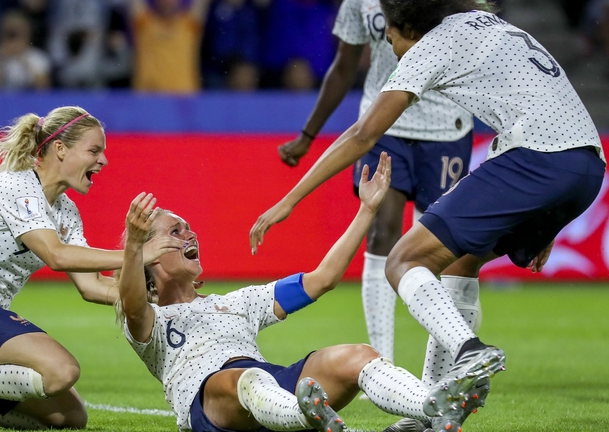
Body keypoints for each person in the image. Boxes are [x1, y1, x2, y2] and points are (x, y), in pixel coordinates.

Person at [250, 0, 606, 430]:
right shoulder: (488, 23)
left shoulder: (434, 43)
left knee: (403, 258)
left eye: (390, 36)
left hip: (535, 158)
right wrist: (548, 218)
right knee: (458, 264)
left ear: (404, 24)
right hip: (585, 167)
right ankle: (434, 409)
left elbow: (363, 135)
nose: (390, 46)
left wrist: (290, 199)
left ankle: (470, 353)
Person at [117, 156, 492, 432]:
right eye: (176, 232)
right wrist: (133, 245)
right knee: (244, 379)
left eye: (188, 228)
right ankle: (307, 416)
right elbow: (133, 306)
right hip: (213, 407)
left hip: (271, 393)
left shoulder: (233, 304)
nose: (190, 234)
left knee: (357, 355)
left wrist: (366, 210)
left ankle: (431, 405)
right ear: (150, 258)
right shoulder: (152, 322)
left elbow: (323, 279)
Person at [0, 106, 185, 429]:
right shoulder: (14, 185)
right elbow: (56, 255)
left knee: (71, 418)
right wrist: (135, 253)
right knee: (62, 371)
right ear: (60, 148)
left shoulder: (66, 210)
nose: (103, 160)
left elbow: (93, 287)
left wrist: (159, 299)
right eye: (94, 150)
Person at [276, 0, 478, 428]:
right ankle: (384, 365)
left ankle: (448, 372)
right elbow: (344, 65)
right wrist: (308, 135)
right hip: (382, 122)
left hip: (447, 127)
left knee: (444, 247)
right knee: (382, 229)